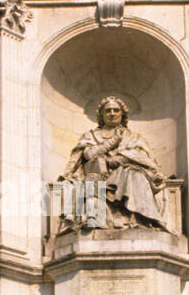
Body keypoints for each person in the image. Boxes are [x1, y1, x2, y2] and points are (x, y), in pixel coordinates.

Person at [59, 96, 170, 232]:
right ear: (101, 115)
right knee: (91, 180)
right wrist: (113, 141)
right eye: (108, 110)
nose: (112, 113)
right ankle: (94, 216)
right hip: (98, 174)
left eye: (116, 110)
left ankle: (139, 219)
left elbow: (143, 157)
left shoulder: (133, 136)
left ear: (122, 114)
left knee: (135, 174)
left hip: (126, 173)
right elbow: (89, 155)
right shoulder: (91, 135)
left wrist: (120, 159)